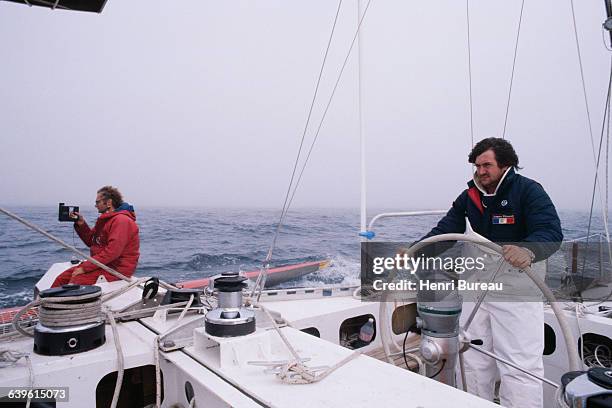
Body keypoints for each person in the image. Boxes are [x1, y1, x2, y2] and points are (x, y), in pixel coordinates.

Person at [420, 138, 562, 408]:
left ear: (506, 164)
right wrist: (415, 251)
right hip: (476, 288)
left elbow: (550, 232)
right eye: (477, 165)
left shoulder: (528, 191)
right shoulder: (470, 197)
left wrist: (528, 251)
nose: (481, 170)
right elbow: (444, 232)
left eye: (487, 165)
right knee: (473, 357)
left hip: (516, 291)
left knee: (520, 365)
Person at [51, 186, 140, 287]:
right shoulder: (106, 220)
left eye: (98, 202)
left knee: (76, 281)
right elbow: (91, 241)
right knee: (61, 279)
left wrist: (85, 268)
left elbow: (112, 252)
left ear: (109, 203)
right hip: (102, 264)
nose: (95, 205)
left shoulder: (121, 221)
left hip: (116, 269)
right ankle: (45, 302)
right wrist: (81, 224)